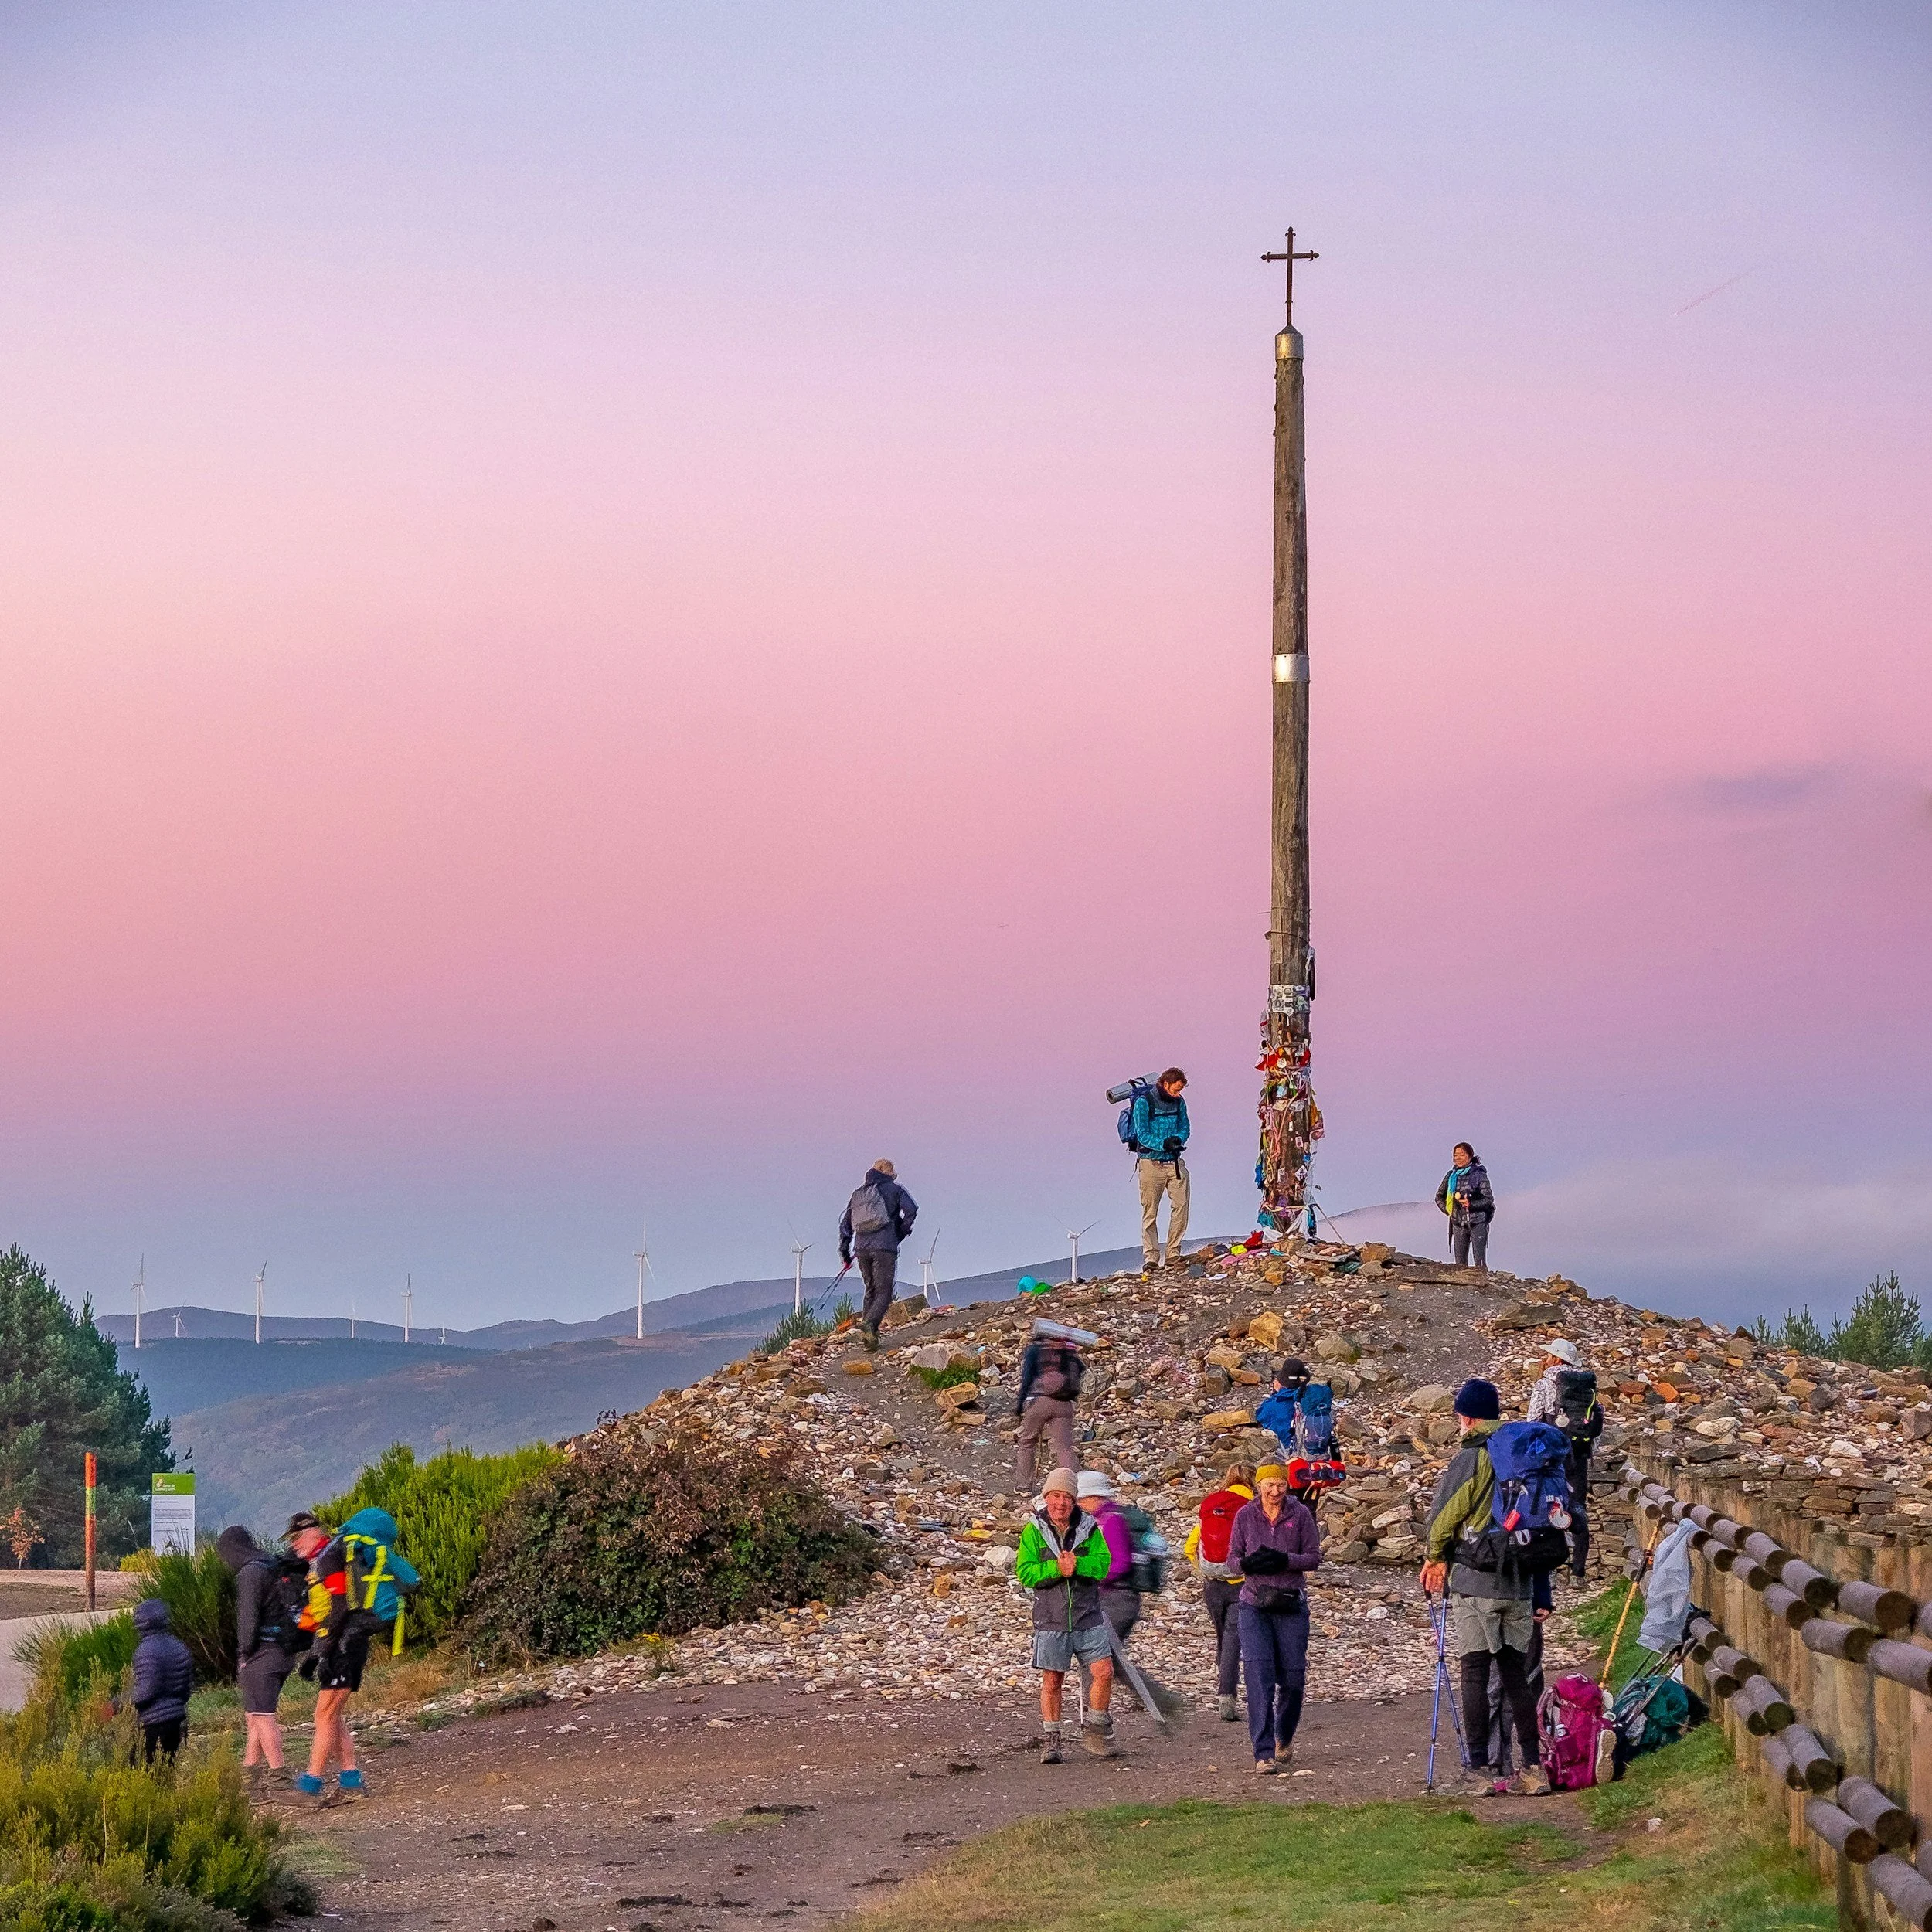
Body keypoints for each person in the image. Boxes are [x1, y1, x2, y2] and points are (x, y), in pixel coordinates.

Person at [1420, 1379, 1550, 1797]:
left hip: (1476, 1579)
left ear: (1467, 1416)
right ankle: (1533, 1768)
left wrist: (1434, 1555)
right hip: (1520, 1583)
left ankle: (1479, 1768)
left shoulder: (1473, 1455)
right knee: (1517, 1677)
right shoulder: (1524, 1455)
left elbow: (1447, 1513)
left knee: (1474, 1674)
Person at [294, 1506, 419, 1805]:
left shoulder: (331, 1558)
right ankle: (351, 1780)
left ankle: (310, 1785)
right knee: (331, 1715)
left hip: (345, 1644)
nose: (294, 1544)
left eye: (298, 1537)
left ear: (315, 1532)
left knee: (324, 1714)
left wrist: (320, 1651)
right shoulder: (335, 1555)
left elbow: (337, 1610)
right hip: (348, 1640)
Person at [1015, 1468, 1117, 1762]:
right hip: (1050, 1618)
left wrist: (1078, 1565)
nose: (1061, 1503)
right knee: (1052, 1680)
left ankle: (1097, 1728)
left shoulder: (1090, 1527)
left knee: (1104, 1672)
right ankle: (1052, 1740)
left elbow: (1103, 1564)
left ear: (1075, 1501)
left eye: (1067, 1498)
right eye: (1056, 1496)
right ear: (1047, 1497)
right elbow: (1025, 1572)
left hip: (1087, 1614)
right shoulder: (1033, 1530)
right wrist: (1056, 1569)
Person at [1226, 1461, 1321, 1774]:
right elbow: (1232, 1561)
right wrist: (1249, 1564)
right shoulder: (1244, 1515)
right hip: (1254, 1605)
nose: (1276, 1491)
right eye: (1269, 1485)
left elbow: (1313, 1558)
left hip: (1291, 1604)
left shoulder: (1301, 1514)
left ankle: (1284, 1735)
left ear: (1287, 1485)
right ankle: (1263, 1753)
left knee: (1293, 1679)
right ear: (1259, 1486)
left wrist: (1284, 1560)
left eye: (1280, 1484)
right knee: (1259, 1676)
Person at [218, 1522, 314, 1795]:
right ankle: (251, 1777)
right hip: (286, 1651)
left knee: (263, 1715)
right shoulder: (271, 1564)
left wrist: (244, 1653)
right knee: (255, 1717)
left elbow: (247, 1620)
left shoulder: (249, 1573)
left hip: (263, 1652)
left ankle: (278, 1777)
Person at [1527, 1338, 1603, 1581]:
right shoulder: (1587, 1386)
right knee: (1577, 1506)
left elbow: (1532, 1421)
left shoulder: (1545, 1384)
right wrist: (1588, 1451)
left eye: (1549, 1356)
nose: (1545, 1360)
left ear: (1557, 1359)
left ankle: (1547, 1571)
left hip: (1550, 1457)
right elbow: (1596, 1424)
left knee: (1545, 1506)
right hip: (1578, 1456)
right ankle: (1578, 1571)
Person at [1185, 1463, 1253, 1723]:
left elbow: (1190, 1546)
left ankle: (1224, 1682)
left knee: (1222, 1637)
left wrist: (1204, 1569)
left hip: (1212, 1584)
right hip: (1241, 1582)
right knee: (1235, 1639)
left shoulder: (1214, 1507)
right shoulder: (1251, 1508)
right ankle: (1227, 1696)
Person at [838, 1158, 918, 1347]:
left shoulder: (859, 1194)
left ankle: (869, 1339)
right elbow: (912, 1211)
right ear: (889, 1173)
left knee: (871, 1289)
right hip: (884, 1247)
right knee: (884, 1292)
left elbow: (845, 1225)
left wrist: (845, 1254)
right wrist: (901, 1232)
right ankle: (870, 1324)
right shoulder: (895, 1190)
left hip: (861, 1248)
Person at [1131, 1069, 1191, 1271]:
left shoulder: (1179, 1102)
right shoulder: (1144, 1103)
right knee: (1150, 1212)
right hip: (1150, 1163)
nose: (1178, 1094)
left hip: (1174, 1162)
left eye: (1180, 1090)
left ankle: (1173, 1253)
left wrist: (1178, 1140)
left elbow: (1185, 1127)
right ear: (1166, 1084)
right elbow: (1143, 1135)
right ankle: (1152, 1257)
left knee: (1181, 1207)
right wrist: (1163, 1143)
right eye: (1176, 1089)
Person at [1013, 1324, 1084, 1495]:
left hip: (1040, 1401)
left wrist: (1020, 1404)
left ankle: (1024, 1486)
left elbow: (1027, 1377)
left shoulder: (1036, 1349)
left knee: (1027, 1442)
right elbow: (1081, 1368)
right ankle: (1077, 1488)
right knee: (1064, 1447)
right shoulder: (1067, 1349)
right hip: (1064, 1403)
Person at [130, 1595, 193, 1762]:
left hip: (153, 1724)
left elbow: (146, 1692)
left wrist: (118, 1704)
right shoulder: (178, 1646)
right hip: (178, 1720)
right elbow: (187, 1689)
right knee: (166, 1773)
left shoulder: (146, 1650)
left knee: (142, 1775)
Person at [1434, 1143, 1495, 1271]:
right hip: (1457, 1222)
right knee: (1460, 1266)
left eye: (1462, 1155)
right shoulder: (1451, 1176)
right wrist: (1448, 1210)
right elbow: (1439, 1197)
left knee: (1480, 1264)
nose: (1458, 1158)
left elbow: (1488, 1200)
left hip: (1477, 1221)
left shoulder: (1479, 1175)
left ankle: (1483, 1287)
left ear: (1470, 1156)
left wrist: (1470, 1205)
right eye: (1456, 1155)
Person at [1254, 1359, 1311, 1447]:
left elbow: (1260, 1416)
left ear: (1281, 1383)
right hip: (1313, 1447)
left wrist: (1276, 1393)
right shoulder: (1313, 1399)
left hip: (1286, 1449)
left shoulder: (1273, 1404)